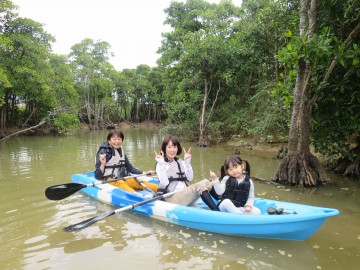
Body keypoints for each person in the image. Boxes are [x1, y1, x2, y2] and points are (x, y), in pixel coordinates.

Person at [154, 135, 219, 210]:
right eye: (169, 147)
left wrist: (187, 163)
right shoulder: (160, 164)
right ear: (164, 149)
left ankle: (221, 201)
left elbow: (190, 178)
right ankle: (217, 211)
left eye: (175, 147)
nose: (172, 150)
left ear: (177, 148)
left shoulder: (181, 162)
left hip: (185, 196)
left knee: (207, 182)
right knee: (200, 185)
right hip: (172, 199)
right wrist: (162, 164)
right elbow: (164, 183)